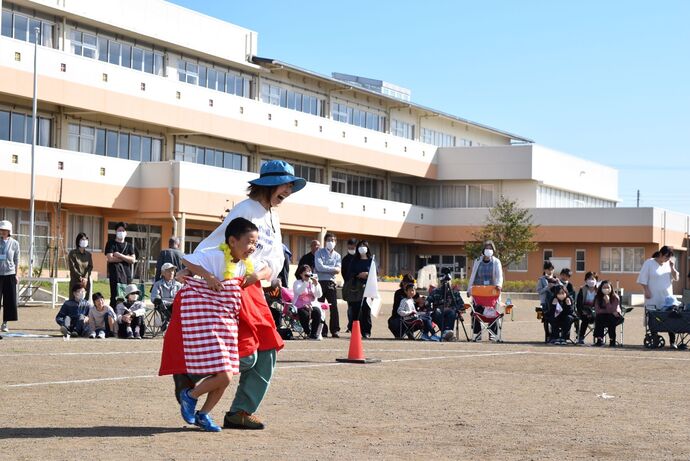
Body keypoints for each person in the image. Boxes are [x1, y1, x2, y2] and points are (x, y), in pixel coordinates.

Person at [170, 159, 302, 430]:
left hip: (256, 289)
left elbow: (275, 258)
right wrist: (193, 270)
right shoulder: (246, 210)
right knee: (246, 354)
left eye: (290, 186)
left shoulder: (272, 215)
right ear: (268, 185)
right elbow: (219, 241)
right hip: (235, 289)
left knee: (267, 350)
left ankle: (240, 411)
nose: (288, 190)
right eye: (285, 185)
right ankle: (190, 373)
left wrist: (265, 276)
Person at [167, 217, 258, 432]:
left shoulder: (241, 265)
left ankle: (203, 415)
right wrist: (207, 276)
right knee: (225, 373)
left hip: (226, 325)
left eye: (256, 243)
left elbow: (266, 272)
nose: (253, 247)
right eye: (250, 242)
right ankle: (189, 395)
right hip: (208, 324)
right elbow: (187, 260)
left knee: (225, 377)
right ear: (233, 241)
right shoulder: (217, 255)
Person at [637, 246, 679, 348]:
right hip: (653, 297)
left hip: (667, 298)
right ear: (660, 254)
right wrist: (646, 290)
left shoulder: (669, 264)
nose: (667, 259)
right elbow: (642, 279)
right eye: (666, 257)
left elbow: (676, 278)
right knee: (653, 318)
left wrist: (672, 267)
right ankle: (654, 339)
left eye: (669, 258)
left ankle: (673, 342)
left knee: (670, 318)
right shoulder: (649, 263)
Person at [467, 241, 503, 340]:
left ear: (493, 250)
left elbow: (500, 276)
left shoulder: (496, 261)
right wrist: (469, 289)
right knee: (476, 311)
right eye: (486, 248)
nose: (488, 250)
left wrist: (499, 285)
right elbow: (473, 275)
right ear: (483, 250)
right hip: (479, 292)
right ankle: (477, 334)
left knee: (493, 312)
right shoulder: (478, 260)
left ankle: (492, 334)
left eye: (490, 248)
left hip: (492, 292)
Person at [314, 232, 341, 338]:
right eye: (329, 240)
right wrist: (332, 269)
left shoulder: (337, 255)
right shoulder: (319, 252)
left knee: (334, 307)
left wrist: (329, 269)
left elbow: (338, 270)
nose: (331, 242)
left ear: (336, 242)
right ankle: (322, 329)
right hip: (320, 282)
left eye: (333, 240)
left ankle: (335, 330)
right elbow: (319, 267)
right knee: (320, 306)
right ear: (325, 241)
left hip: (331, 283)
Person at [346, 240, 374, 338]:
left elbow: (375, 274)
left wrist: (367, 275)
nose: (362, 247)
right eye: (360, 246)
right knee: (355, 309)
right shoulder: (354, 260)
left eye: (364, 246)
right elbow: (349, 273)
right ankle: (355, 330)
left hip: (368, 288)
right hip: (356, 288)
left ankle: (366, 331)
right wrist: (358, 275)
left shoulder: (371, 260)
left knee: (366, 309)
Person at [105, 222, 136, 309]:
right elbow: (110, 258)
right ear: (115, 232)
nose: (121, 232)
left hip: (127, 275)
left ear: (126, 233)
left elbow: (133, 260)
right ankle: (114, 316)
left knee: (127, 295)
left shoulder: (129, 246)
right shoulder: (111, 243)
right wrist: (126, 258)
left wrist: (119, 255)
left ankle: (126, 316)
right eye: (119, 230)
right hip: (115, 274)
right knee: (115, 296)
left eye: (123, 230)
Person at [293, 264, 324, 340]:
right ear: (301, 274)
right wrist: (305, 282)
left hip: (312, 305)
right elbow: (299, 292)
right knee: (303, 313)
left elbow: (319, 295)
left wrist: (316, 284)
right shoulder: (297, 283)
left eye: (309, 272)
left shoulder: (313, 283)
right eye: (305, 273)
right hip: (300, 305)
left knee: (317, 312)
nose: (308, 274)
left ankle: (313, 333)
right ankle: (308, 332)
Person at [0, 220, 19, 334]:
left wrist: (16, 274)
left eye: (4, 230)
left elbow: (16, 259)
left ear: (9, 231)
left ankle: (5, 323)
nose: (2, 232)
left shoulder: (15, 243)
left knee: (9, 300)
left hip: (10, 274)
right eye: (1, 230)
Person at [151, 262, 182, 330]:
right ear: (163, 273)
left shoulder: (179, 285)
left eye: (172, 270)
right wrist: (161, 301)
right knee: (160, 302)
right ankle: (167, 320)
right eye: (168, 271)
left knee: (176, 305)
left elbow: (182, 297)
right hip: (162, 305)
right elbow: (154, 297)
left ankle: (166, 320)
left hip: (175, 305)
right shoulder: (157, 284)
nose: (171, 273)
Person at [593, 280, 623, 347]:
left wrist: (607, 302)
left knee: (611, 318)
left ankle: (612, 340)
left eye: (608, 287)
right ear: (601, 288)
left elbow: (613, 310)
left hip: (615, 317)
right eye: (604, 287)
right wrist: (608, 310)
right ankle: (599, 340)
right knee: (599, 317)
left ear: (611, 288)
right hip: (602, 316)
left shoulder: (615, 297)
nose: (606, 289)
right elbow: (597, 310)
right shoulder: (598, 297)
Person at [388, 274, 416, 338]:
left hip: (411, 317)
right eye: (408, 284)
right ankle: (402, 333)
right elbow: (401, 305)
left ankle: (409, 332)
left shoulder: (414, 293)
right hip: (398, 317)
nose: (410, 286)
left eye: (412, 284)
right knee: (392, 322)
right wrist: (411, 297)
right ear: (403, 283)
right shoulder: (398, 293)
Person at [67, 232, 93, 300]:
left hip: (86, 282)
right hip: (75, 281)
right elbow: (72, 268)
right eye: (82, 239)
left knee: (85, 302)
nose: (84, 241)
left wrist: (85, 277)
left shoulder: (88, 254)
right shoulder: (72, 253)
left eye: (85, 239)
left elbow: (90, 267)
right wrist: (80, 277)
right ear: (78, 241)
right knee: (73, 302)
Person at [575, 272, 598, 344]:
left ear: (596, 280)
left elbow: (600, 303)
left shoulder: (599, 290)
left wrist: (593, 311)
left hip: (595, 311)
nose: (591, 280)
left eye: (592, 279)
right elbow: (579, 303)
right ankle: (581, 337)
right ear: (585, 280)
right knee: (585, 319)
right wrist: (582, 312)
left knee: (599, 319)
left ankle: (599, 338)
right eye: (588, 279)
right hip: (584, 311)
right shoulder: (582, 289)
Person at [341, 238, 358, 332]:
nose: (351, 248)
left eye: (353, 246)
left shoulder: (360, 258)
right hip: (349, 286)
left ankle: (357, 325)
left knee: (358, 307)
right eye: (349, 246)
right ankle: (350, 325)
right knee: (350, 307)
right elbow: (344, 273)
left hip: (359, 286)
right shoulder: (345, 259)